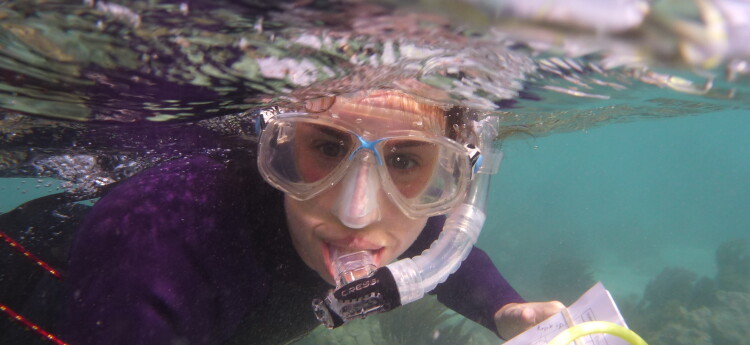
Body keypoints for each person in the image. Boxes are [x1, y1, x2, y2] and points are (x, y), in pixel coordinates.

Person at [59, 90, 564, 345]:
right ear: (275, 143)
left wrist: (504, 311)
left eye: (405, 160)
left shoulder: (413, 223)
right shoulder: (158, 237)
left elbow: (444, 256)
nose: (358, 215)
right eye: (326, 146)